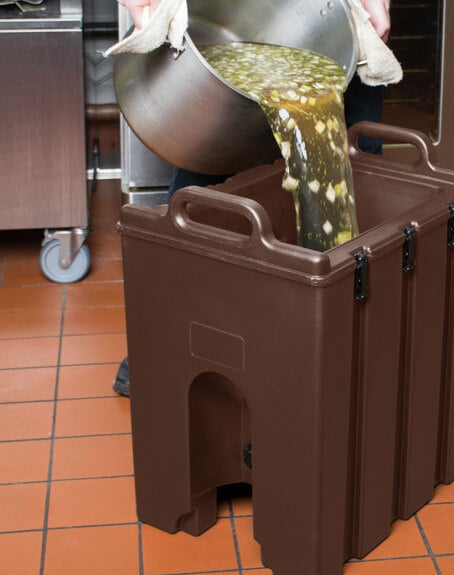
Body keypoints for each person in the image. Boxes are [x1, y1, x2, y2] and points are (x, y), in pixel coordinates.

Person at [113, 0, 393, 396]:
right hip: (220, 24)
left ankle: (340, 344)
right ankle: (169, 338)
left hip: (334, 17)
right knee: (209, 168)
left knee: (354, 164)